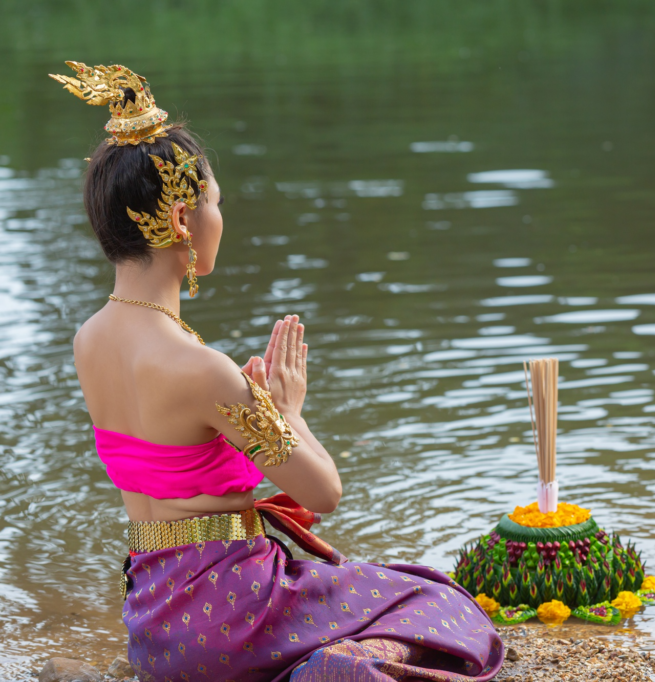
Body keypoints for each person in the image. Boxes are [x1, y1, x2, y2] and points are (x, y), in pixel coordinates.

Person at [51, 61, 503, 682]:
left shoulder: (88, 341)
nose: (220, 219)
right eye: (215, 203)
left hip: (154, 626)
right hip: (232, 621)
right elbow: (324, 493)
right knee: (439, 603)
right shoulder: (203, 371)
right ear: (183, 220)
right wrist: (288, 412)